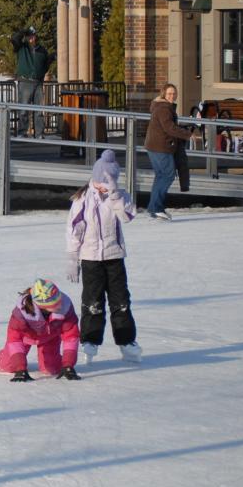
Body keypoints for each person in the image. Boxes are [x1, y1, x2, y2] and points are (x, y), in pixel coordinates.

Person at [66, 149, 141, 364]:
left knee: (121, 301)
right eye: (101, 183)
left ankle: (127, 342)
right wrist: (73, 257)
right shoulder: (82, 199)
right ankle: (89, 341)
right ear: (95, 179)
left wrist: (115, 195)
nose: (103, 188)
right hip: (90, 259)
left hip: (114, 257)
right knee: (92, 301)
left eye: (107, 184)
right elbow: (74, 229)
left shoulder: (118, 196)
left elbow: (127, 216)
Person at [0, 278, 81, 382]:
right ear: (42, 305)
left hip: (50, 337)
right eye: (54, 304)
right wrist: (20, 368)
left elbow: (71, 336)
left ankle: (57, 362)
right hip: (25, 338)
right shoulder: (22, 312)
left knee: (51, 369)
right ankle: (1, 357)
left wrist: (68, 364)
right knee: (7, 367)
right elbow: (14, 339)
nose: (59, 305)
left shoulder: (65, 307)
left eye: (59, 301)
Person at [143, 82, 191, 221]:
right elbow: (169, 128)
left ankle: (154, 208)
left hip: (157, 146)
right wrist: (187, 134)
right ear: (164, 94)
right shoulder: (163, 108)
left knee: (161, 176)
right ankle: (156, 208)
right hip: (160, 147)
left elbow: (168, 126)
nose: (172, 96)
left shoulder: (164, 107)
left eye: (174, 93)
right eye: (169, 93)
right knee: (168, 175)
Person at [10, 27, 50, 136]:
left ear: (36, 37)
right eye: (29, 36)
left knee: (39, 111)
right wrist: (23, 31)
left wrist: (40, 74)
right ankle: (22, 133)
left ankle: (39, 134)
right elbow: (14, 39)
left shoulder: (42, 50)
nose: (31, 38)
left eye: (33, 36)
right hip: (25, 81)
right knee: (23, 110)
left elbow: (46, 66)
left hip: (38, 83)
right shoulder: (22, 48)